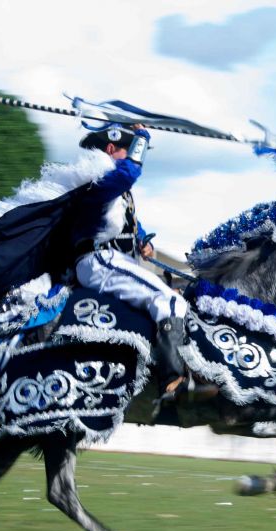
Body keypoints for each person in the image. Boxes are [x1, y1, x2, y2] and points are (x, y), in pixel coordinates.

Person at [72, 124, 189, 397]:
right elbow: (130, 173)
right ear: (111, 149)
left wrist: (144, 240)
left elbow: (128, 222)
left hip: (113, 262)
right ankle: (172, 381)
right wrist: (143, 139)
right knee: (170, 302)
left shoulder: (112, 187)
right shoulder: (98, 177)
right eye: (129, 149)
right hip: (100, 261)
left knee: (171, 295)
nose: (134, 155)